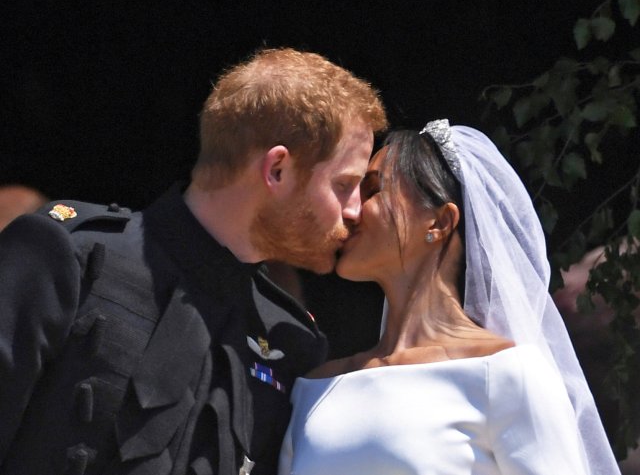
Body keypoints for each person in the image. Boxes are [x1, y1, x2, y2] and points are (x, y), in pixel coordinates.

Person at [0, 47, 387, 475]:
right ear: (277, 169)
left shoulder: (293, 342)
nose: (355, 210)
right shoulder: (72, 259)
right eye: (345, 184)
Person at [278, 119, 620, 475]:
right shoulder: (314, 388)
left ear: (440, 223)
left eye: (373, 190)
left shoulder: (504, 374)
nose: (350, 210)